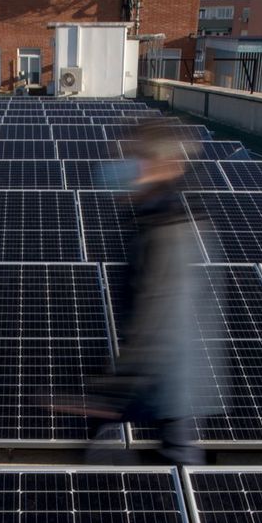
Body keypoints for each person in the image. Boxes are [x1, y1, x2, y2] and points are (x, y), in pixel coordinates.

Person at [74, 117, 217, 464]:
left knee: (162, 474)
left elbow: (157, 321)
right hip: (167, 386)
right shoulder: (153, 215)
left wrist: (111, 390)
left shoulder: (167, 227)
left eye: (132, 157)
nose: (120, 166)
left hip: (167, 385)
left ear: (161, 165)